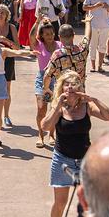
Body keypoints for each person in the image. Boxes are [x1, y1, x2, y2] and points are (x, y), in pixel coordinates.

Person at [39, 70, 109, 217]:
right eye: (67, 84)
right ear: (62, 87)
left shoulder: (86, 107)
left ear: (80, 88)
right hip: (62, 159)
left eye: (74, 84)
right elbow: (44, 126)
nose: (71, 88)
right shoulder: (58, 106)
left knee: (86, 202)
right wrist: (57, 108)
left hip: (85, 160)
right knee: (60, 202)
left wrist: (93, 100)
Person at [30, 19, 61, 148]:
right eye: (46, 34)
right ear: (42, 35)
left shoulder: (60, 45)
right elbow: (31, 36)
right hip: (42, 79)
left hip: (57, 79)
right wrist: (37, 22)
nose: (50, 36)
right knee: (41, 109)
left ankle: (52, 135)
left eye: (51, 33)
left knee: (54, 109)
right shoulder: (39, 45)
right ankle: (40, 134)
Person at [82, 0, 109, 72]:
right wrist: (95, 6)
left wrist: (107, 6)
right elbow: (84, 7)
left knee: (102, 46)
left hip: (105, 25)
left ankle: (100, 66)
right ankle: (93, 66)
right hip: (93, 25)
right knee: (93, 45)